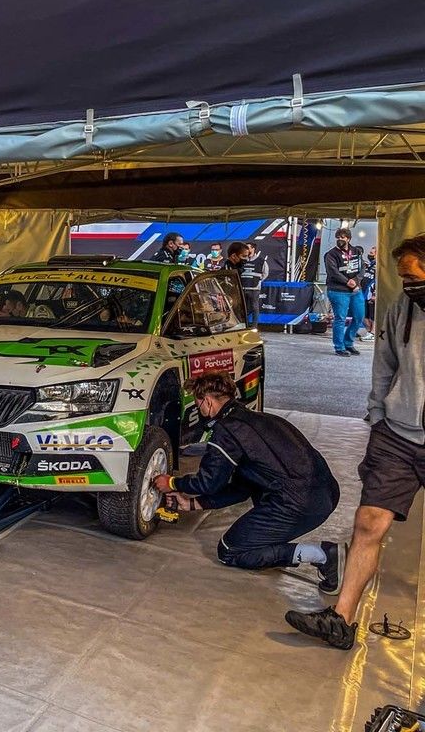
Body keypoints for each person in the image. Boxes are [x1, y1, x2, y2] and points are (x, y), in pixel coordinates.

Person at [286, 234, 425, 650]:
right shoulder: (402, 309)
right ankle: (341, 619)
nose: (406, 285)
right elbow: (385, 364)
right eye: (403, 278)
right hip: (397, 435)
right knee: (368, 523)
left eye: (412, 277)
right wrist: (378, 415)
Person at [154, 371, 343, 585]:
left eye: (198, 405)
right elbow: (243, 488)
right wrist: (192, 503)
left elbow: (208, 482)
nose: (200, 411)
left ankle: (324, 556)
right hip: (326, 494)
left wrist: (171, 482)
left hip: (298, 503)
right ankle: (271, 546)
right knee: (257, 513)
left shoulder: (226, 430)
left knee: (231, 550)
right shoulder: (259, 420)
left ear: (207, 401)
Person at [324, 227, 366, 357]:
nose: (340, 239)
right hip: (338, 290)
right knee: (340, 319)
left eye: (342, 237)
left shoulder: (356, 251)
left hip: (356, 290)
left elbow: (362, 267)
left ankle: (348, 342)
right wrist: (347, 282)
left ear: (348, 239)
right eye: (338, 237)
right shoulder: (331, 254)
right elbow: (333, 272)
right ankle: (339, 347)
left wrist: (356, 281)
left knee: (359, 317)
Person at [239, 241, 269, 328]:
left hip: (254, 289)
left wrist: (259, 280)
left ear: (253, 249)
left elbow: (265, 273)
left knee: (254, 307)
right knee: (243, 308)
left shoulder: (261, 261)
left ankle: (254, 326)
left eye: (248, 248)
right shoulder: (241, 260)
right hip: (242, 287)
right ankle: (243, 325)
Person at [359, 246, 377, 341]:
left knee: (372, 315)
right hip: (363, 293)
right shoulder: (368, 265)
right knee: (364, 315)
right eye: (370, 252)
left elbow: (378, 280)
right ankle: (369, 331)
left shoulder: (378, 266)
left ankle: (373, 333)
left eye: (372, 253)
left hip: (371, 294)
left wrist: (375, 293)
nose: (369, 254)